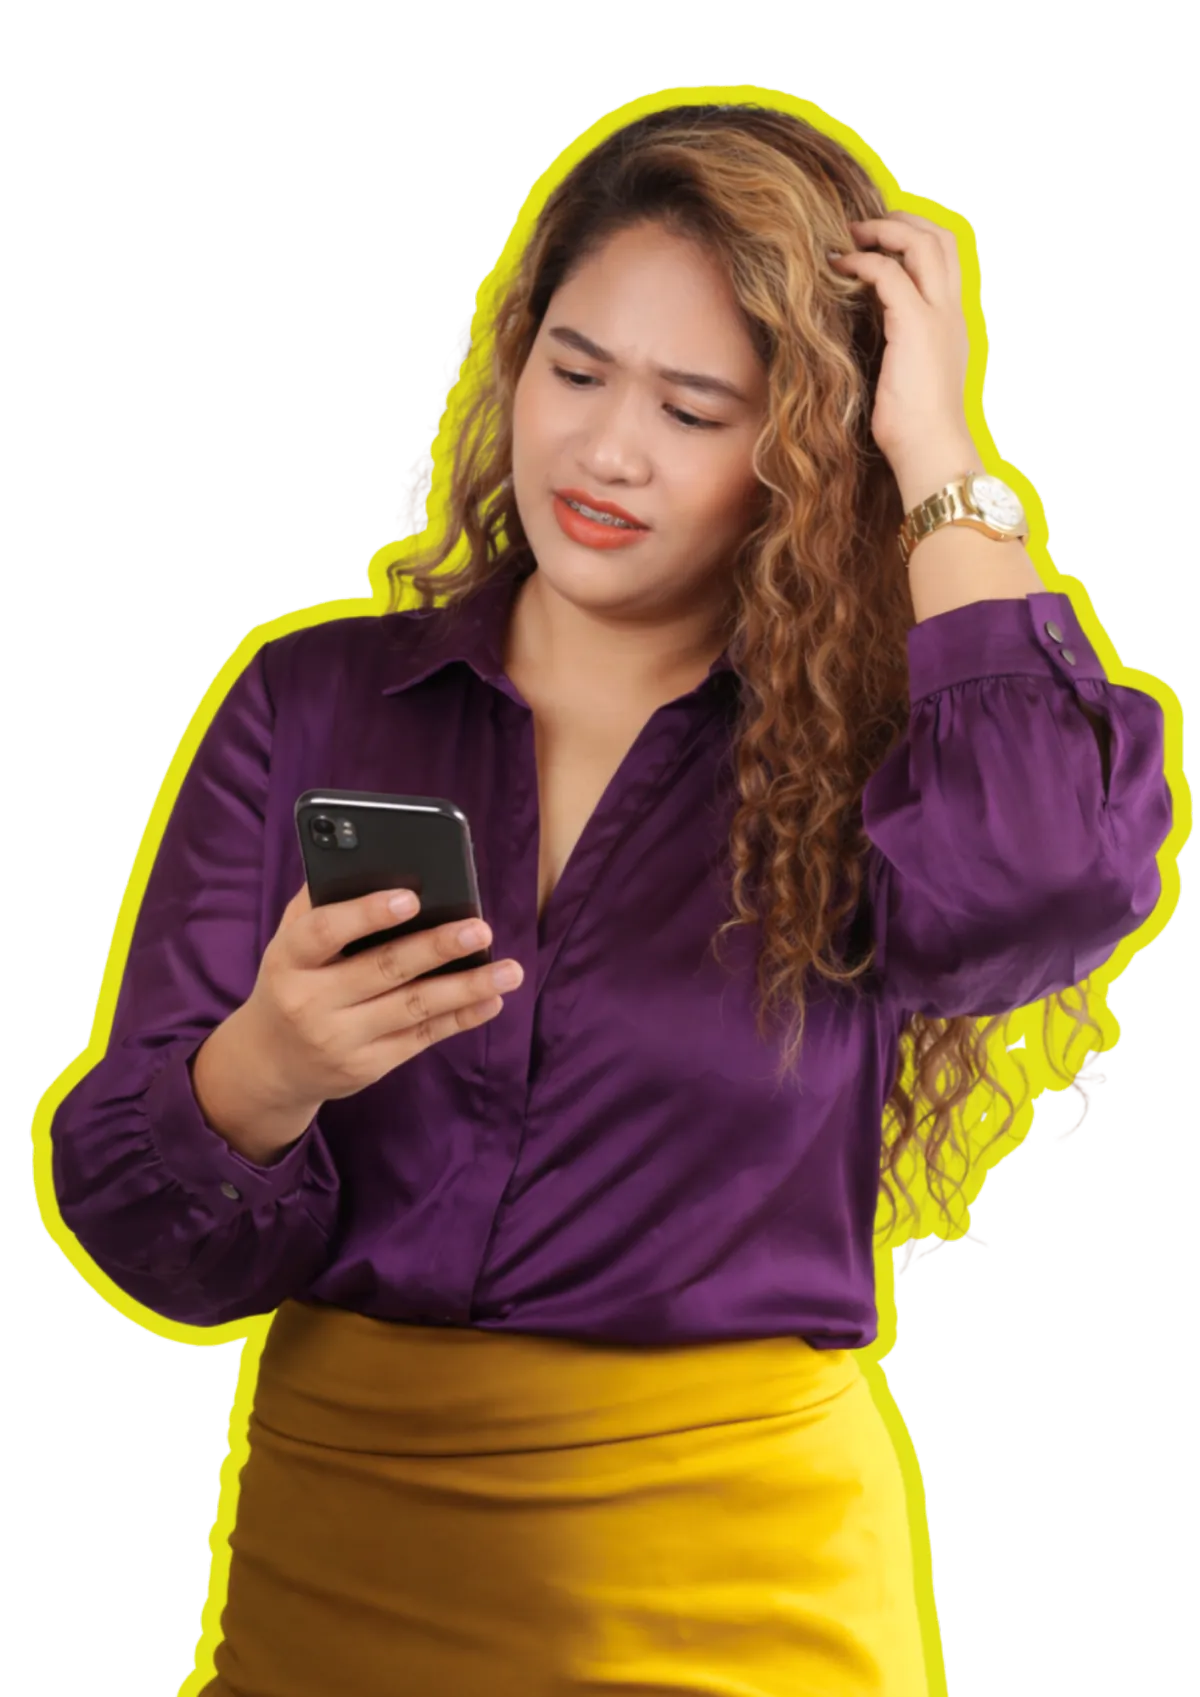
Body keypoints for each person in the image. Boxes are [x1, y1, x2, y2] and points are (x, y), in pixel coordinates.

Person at [48, 99, 1173, 1696]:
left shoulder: (874, 754)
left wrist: (938, 458)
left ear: (806, 448)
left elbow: (1038, 886)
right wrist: (268, 1072)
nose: (606, 451)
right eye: (574, 373)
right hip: (335, 1586)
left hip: (744, 1602)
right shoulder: (310, 703)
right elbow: (155, 1253)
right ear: (515, 361)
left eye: (695, 408)